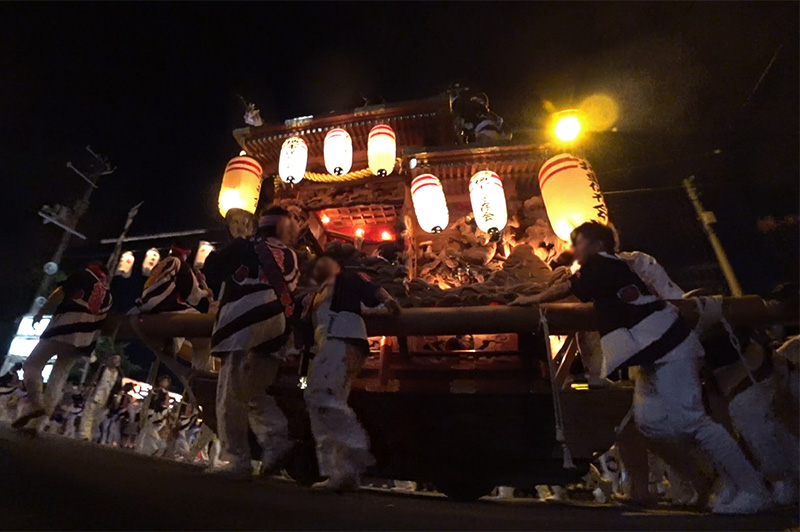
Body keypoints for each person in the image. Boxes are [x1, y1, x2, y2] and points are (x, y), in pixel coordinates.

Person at [511, 221, 772, 514]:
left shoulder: (605, 264)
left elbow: (567, 287)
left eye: (580, 241)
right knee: (650, 423)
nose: (575, 248)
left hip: (670, 346)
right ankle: (712, 479)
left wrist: (530, 299)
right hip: (649, 351)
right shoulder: (610, 268)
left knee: (691, 420)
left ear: (598, 245)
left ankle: (752, 488)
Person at [203, 205, 299, 479]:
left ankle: (236, 459)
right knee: (255, 391)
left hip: (243, 322)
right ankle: (276, 441)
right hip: (277, 325)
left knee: (230, 393)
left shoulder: (245, 246)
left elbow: (212, 267)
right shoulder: (291, 255)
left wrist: (236, 241)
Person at [300, 256, 400, 491]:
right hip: (328, 346)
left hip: (342, 339)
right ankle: (341, 471)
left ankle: (356, 446)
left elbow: (371, 288)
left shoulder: (345, 278)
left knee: (321, 397)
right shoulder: (315, 295)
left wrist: (389, 301)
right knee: (321, 402)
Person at [14, 263, 113, 429]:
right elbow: (101, 326)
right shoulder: (109, 296)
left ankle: (36, 403)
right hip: (81, 342)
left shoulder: (82, 276)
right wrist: (89, 349)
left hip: (60, 330)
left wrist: (41, 312)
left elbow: (59, 293)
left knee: (32, 365)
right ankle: (36, 426)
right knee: (58, 379)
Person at [78, 354, 123, 441]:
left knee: (98, 419)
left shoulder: (118, 376)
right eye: (114, 359)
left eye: (118, 360)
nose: (116, 361)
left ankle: (90, 434)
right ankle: (84, 435)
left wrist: (116, 400)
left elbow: (118, 390)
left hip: (106, 400)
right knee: (88, 415)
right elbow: (95, 378)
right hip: (95, 396)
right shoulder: (103, 369)